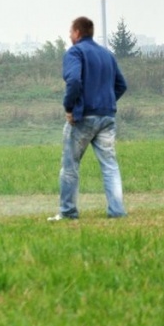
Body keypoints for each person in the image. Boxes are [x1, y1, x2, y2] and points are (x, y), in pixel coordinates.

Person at [49, 16, 128, 221]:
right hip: (107, 116)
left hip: (83, 118)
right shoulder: (107, 55)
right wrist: (107, 101)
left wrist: (69, 106)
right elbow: (121, 85)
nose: (69, 35)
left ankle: (67, 212)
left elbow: (74, 80)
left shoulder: (75, 52)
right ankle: (117, 211)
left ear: (77, 32)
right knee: (110, 165)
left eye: (70, 31)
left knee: (70, 165)